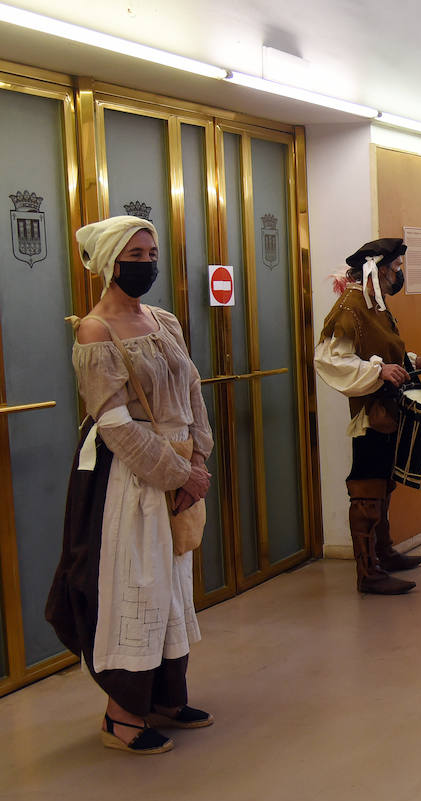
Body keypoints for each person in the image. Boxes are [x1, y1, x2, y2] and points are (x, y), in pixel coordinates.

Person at [45, 216, 214, 755]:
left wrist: (201, 458)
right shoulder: (95, 330)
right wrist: (176, 472)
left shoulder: (163, 321)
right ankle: (121, 715)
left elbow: (192, 390)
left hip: (181, 470)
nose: (146, 264)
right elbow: (113, 423)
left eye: (151, 253)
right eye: (134, 256)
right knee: (133, 590)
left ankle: (165, 697)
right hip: (131, 481)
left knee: (171, 587)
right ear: (108, 262)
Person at [314, 238, 421, 595]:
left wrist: (413, 363)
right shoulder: (351, 305)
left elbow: (381, 352)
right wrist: (378, 373)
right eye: (397, 268)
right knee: (367, 485)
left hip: (388, 408)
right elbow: (330, 359)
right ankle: (367, 571)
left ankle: (382, 551)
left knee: (384, 483)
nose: (400, 274)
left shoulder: (375, 304)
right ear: (379, 268)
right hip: (370, 413)